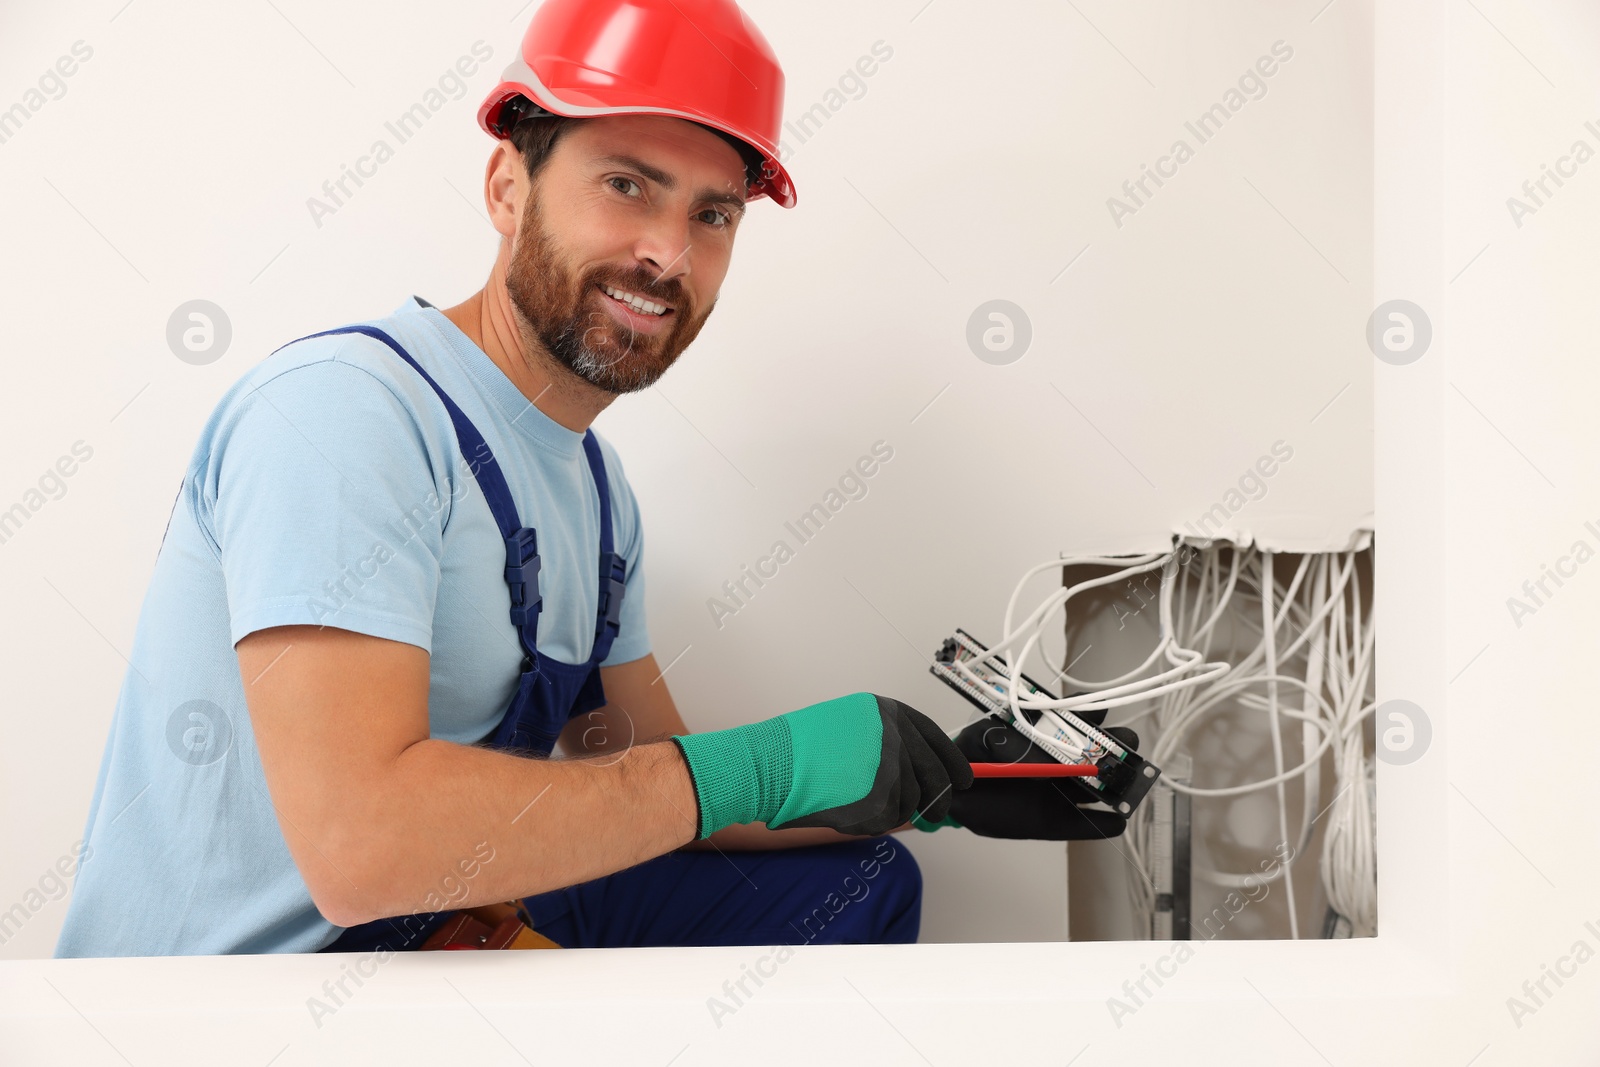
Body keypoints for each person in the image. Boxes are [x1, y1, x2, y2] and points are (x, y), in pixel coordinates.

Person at [56, 0, 1131, 958]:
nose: (668, 254)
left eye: (712, 214)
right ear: (506, 186)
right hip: (236, 1002)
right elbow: (362, 845)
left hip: (432, 938)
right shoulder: (347, 414)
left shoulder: (598, 494)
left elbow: (652, 779)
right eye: (627, 185)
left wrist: (933, 782)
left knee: (856, 887)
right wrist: (759, 762)